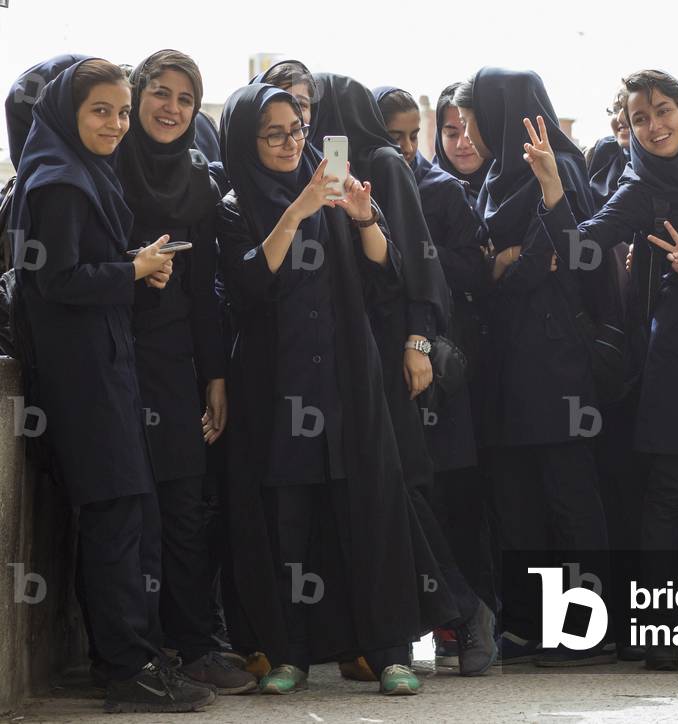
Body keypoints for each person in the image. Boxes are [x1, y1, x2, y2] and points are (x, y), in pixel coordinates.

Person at [215, 81, 464, 695]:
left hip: (348, 379)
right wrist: (297, 210)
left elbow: (387, 277)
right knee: (289, 522)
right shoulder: (232, 202)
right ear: (248, 139)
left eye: (296, 129)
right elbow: (247, 286)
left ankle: (388, 652)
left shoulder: (336, 188)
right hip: (278, 387)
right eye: (273, 133)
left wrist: (364, 220)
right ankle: (289, 653)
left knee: (371, 513)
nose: (288, 142)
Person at [523, 69, 678, 671]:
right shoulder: (643, 186)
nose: (653, 126)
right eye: (639, 118)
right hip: (673, 364)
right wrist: (555, 189)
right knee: (666, 500)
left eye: (662, 110)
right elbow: (581, 253)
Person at [10, 57, 216, 713]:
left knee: (131, 516)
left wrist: (136, 270)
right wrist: (130, 271)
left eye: (121, 111)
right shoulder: (59, 182)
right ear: (69, 112)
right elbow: (56, 281)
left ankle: (136, 659)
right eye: (101, 110)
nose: (116, 123)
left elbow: (83, 271)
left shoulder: (84, 171)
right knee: (117, 519)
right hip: (82, 380)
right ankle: (128, 670)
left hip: (105, 368)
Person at [453, 67, 613, 667]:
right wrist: (501, 265)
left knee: (568, 498)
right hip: (506, 365)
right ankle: (531, 625)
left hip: (554, 363)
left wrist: (504, 267)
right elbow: (482, 269)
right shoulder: (495, 180)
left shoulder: (560, 171)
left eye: (476, 123)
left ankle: (586, 631)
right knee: (518, 502)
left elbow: (568, 258)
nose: (471, 137)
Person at [114, 49, 253, 694]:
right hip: (111, 360)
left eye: (186, 100)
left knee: (184, 508)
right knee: (127, 515)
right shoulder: (106, 166)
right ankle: (139, 656)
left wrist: (215, 377)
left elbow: (206, 292)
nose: (171, 109)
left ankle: (196, 644)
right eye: (160, 94)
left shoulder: (199, 181)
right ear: (137, 95)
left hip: (174, 366)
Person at [374, 85, 498, 665]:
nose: (402, 148)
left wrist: (410, 250)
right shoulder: (363, 191)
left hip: (441, 370)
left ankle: (468, 620)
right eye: (389, 135)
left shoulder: (440, 190)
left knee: (448, 498)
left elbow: (474, 267)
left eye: (409, 135)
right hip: (384, 370)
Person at [434, 82, 490, 201]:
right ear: (439, 136)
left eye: (472, 130)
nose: (462, 144)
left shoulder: (511, 188)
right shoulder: (427, 192)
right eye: (452, 134)